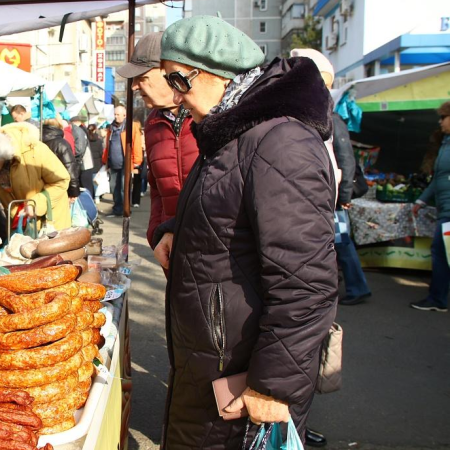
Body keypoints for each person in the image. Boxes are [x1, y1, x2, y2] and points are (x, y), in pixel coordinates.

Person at [152, 16, 338, 447]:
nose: (175, 98)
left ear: (216, 73)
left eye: (178, 80)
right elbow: (228, 207)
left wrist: (273, 386)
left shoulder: (280, 142)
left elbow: (306, 282)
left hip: (244, 372)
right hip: (215, 360)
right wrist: (176, 229)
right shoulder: (231, 132)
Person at [292, 48, 371, 311]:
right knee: (335, 244)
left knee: (342, 243)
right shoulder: (308, 117)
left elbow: (347, 162)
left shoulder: (334, 119)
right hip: (324, 195)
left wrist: (345, 196)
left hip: (335, 197)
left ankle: (359, 288)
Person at [116, 31, 198, 246]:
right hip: (170, 247)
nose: (134, 86)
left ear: (170, 72)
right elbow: (157, 190)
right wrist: (156, 233)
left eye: (142, 78)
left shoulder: (209, 116)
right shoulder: (153, 122)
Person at [0, 122, 72, 233]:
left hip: (51, 222)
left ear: (2, 155)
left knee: (50, 252)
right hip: (20, 225)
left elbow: (61, 180)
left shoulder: (34, 150)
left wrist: (36, 203)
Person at [411, 101, 450, 313]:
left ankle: (437, 298)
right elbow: (438, 178)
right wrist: (421, 200)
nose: (440, 122)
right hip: (444, 209)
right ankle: (438, 297)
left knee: (441, 251)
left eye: (444, 117)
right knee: (442, 251)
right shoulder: (445, 143)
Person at [102, 105, 143, 217]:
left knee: (124, 188)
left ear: (124, 115)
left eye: (118, 115)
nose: (116, 117)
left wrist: (137, 161)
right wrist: (105, 160)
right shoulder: (111, 127)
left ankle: (125, 210)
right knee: (114, 188)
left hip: (126, 163)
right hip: (113, 163)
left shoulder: (131, 126)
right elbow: (108, 145)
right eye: (115, 114)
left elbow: (137, 144)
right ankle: (117, 209)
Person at [41, 118, 80, 200]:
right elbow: (70, 168)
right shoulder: (62, 144)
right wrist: (74, 192)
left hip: (41, 189)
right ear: (60, 126)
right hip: (60, 188)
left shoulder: (38, 142)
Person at [86, 123, 105, 199]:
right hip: (97, 163)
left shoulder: (86, 140)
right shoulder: (99, 141)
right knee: (96, 181)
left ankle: (91, 197)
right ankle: (97, 197)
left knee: (89, 182)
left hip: (88, 162)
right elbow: (101, 153)